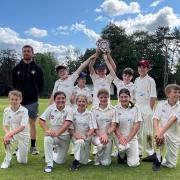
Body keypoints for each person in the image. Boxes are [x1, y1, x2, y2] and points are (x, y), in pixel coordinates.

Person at [12, 45, 44, 155]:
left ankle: (33, 147)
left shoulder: (38, 69)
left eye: (28, 51)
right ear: (22, 53)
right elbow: (14, 84)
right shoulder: (16, 68)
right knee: (19, 125)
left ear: (32, 53)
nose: (26, 53)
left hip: (32, 102)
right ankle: (19, 147)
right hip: (19, 103)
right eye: (24, 51)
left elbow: (41, 85)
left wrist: (34, 93)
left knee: (32, 124)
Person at [39, 91, 73, 173]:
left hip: (65, 137)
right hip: (53, 136)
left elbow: (67, 123)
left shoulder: (69, 109)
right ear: (54, 100)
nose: (61, 100)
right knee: (47, 139)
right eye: (58, 98)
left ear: (65, 100)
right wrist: (47, 130)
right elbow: (41, 120)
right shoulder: (51, 107)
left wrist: (58, 133)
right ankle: (49, 164)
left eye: (63, 98)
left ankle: (51, 153)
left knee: (60, 161)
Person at [152, 84, 180, 171]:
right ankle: (157, 160)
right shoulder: (161, 104)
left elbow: (172, 120)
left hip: (174, 136)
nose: (178, 94)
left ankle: (157, 157)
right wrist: (158, 133)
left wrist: (160, 133)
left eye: (179, 92)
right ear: (168, 94)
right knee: (160, 139)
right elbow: (155, 119)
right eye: (175, 92)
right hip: (162, 133)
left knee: (171, 165)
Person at [134, 59, 157, 160]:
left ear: (148, 68)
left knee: (148, 132)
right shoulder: (136, 80)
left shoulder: (150, 80)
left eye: (143, 67)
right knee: (138, 131)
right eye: (140, 67)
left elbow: (153, 97)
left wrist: (149, 110)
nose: (141, 69)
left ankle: (150, 152)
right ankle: (138, 152)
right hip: (137, 108)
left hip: (147, 108)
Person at [113, 88, 142, 167]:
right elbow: (114, 126)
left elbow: (137, 125)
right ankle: (121, 156)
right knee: (122, 148)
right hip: (119, 138)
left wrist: (128, 139)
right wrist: (120, 137)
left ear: (130, 97)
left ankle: (128, 154)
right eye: (121, 97)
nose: (123, 99)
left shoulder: (136, 108)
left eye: (126, 97)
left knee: (133, 164)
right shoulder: (115, 108)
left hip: (131, 138)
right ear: (119, 98)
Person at [1, 90, 29, 169]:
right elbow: (4, 125)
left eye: (16, 99)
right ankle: (7, 160)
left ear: (21, 100)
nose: (14, 101)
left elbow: (22, 126)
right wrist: (7, 134)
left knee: (22, 161)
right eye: (12, 99)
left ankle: (18, 151)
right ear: (9, 99)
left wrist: (9, 134)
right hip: (12, 134)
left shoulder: (24, 110)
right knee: (7, 140)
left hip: (23, 135)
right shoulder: (6, 110)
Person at [69, 95, 97, 170]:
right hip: (75, 137)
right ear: (76, 102)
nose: (81, 103)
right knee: (79, 142)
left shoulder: (90, 114)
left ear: (86, 103)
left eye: (83, 101)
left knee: (84, 162)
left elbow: (92, 128)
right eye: (79, 101)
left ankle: (80, 157)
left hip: (86, 138)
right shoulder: (72, 113)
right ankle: (75, 162)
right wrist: (76, 134)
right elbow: (70, 129)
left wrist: (86, 135)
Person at [92, 89, 116, 166]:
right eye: (101, 97)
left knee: (106, 163)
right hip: (97, 137)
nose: (103, 99)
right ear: (98, 97)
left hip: (108, 137)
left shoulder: (113, 110)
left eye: (105, 97)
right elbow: (94, 127)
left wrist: (106, 134)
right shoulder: (93, 110)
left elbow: (113, 126)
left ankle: (102, 156)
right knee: (100, 145)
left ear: (108, 97)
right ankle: (97, 157)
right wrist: (102, 135)